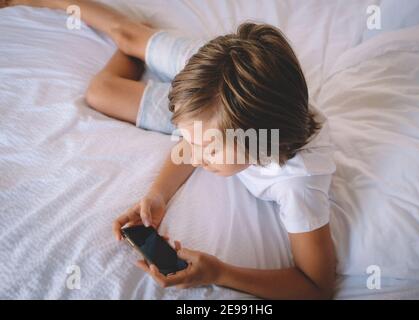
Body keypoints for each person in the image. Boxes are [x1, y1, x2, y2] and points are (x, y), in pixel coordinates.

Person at [2, 0, 337, 299]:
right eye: (188, 139)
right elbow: (192, 145)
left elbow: (317, 286)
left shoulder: (297, 183)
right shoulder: (212, 107)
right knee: (125, 45)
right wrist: (159, 195)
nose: (191, 153)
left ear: (261, 142)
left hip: (223, 108)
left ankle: (146, 47)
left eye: (207, 150)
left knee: (104, 91)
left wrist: (220, 273)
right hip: (214, 83)